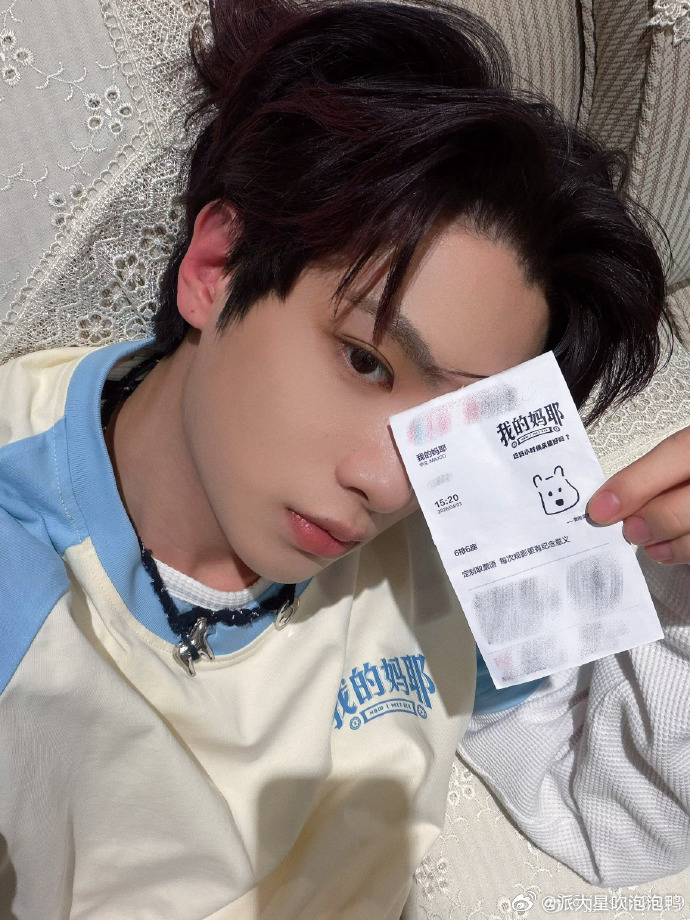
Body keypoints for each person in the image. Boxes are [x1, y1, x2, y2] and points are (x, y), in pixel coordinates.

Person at [0, 0, 688, 916]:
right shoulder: (24, 574)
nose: (392, 482)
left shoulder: (461, 513)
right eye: (366, 361)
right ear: (215, 267)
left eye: (453, 424)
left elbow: (613, 813)